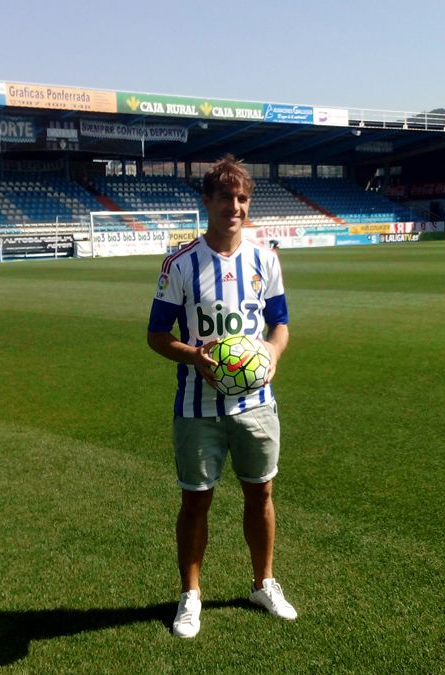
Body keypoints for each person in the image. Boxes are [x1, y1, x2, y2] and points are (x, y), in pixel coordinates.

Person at [146, 155, 296, 639]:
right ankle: (191, 596)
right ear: (207, 201)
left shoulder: (265, 259)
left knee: (262, 492)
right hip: (197, 408)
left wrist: (271, 352)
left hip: (256, 404)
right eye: (226, 198)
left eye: (243, 199)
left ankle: (264, 583)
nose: (235, 207)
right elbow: (155, 334)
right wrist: (193, 356)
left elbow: (281, 324)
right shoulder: (181, 263)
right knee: (196, 503)